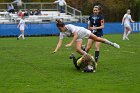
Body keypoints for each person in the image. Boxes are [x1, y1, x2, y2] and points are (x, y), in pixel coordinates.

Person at [52, 19, 120, 55]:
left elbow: (75, 35)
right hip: (79, 37)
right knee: (78, 49)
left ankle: (113, 44)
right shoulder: (61, 33)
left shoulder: (69, 26)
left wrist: (70, 43)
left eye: (60, 28)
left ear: (63, 26)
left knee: (97, 39)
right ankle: (89, 57)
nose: (60, 30)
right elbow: (59, 42)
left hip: (83, 31)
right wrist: (56, 50)